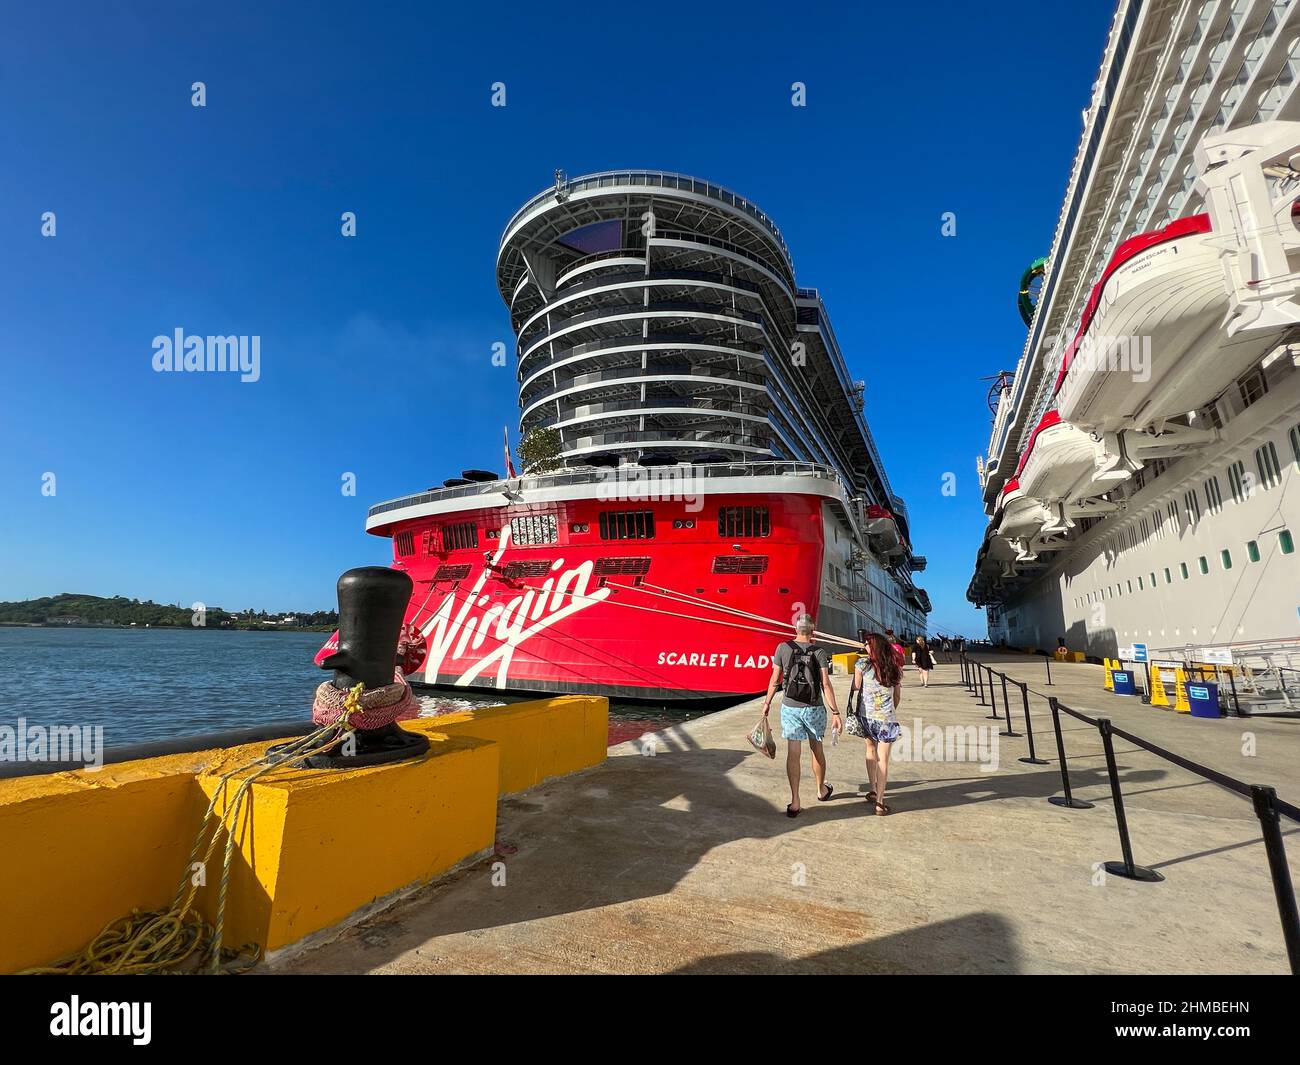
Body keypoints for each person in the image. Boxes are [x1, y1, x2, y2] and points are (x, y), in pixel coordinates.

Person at [762, 614, 840, 817]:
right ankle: (821, 790)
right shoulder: (820, 651)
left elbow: (775, 679)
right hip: (815, 707)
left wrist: (767, 702)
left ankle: (795, 801)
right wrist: (835, 711)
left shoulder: (782, 648)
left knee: (793, 753)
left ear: (795, 629)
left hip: (790, 707)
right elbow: (825, 684)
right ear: (813, 632)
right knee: (816, 749)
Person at [849, 632, 903, 815]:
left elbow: (856, 686)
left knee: (870, 751)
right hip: (886, 719)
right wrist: (889, 710)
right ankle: (880, 802)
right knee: (884, 760)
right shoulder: (895, 667)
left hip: (867, 717)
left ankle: (872, 788)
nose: (864, 645)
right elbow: (897, 696)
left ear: (872, 647)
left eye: (867, 644)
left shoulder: (862, 664)